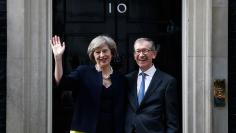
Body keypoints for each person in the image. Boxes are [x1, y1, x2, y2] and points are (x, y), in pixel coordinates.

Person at [50, 35, 126, 133]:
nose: (102, 55)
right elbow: (61, 82)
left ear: (112, 52)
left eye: (105, 51)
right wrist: (58, 58)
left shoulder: (121, 79)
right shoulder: (83, 72)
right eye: (97, 52)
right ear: (93, 55)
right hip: (83, 129)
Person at [125, 38, 179, 133]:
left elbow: (172, 120)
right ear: (134, 55)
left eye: (145, 50)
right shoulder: (127, 80)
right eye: (138, 51)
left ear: (154, 54)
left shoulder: (168, 81)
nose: (141, 55)